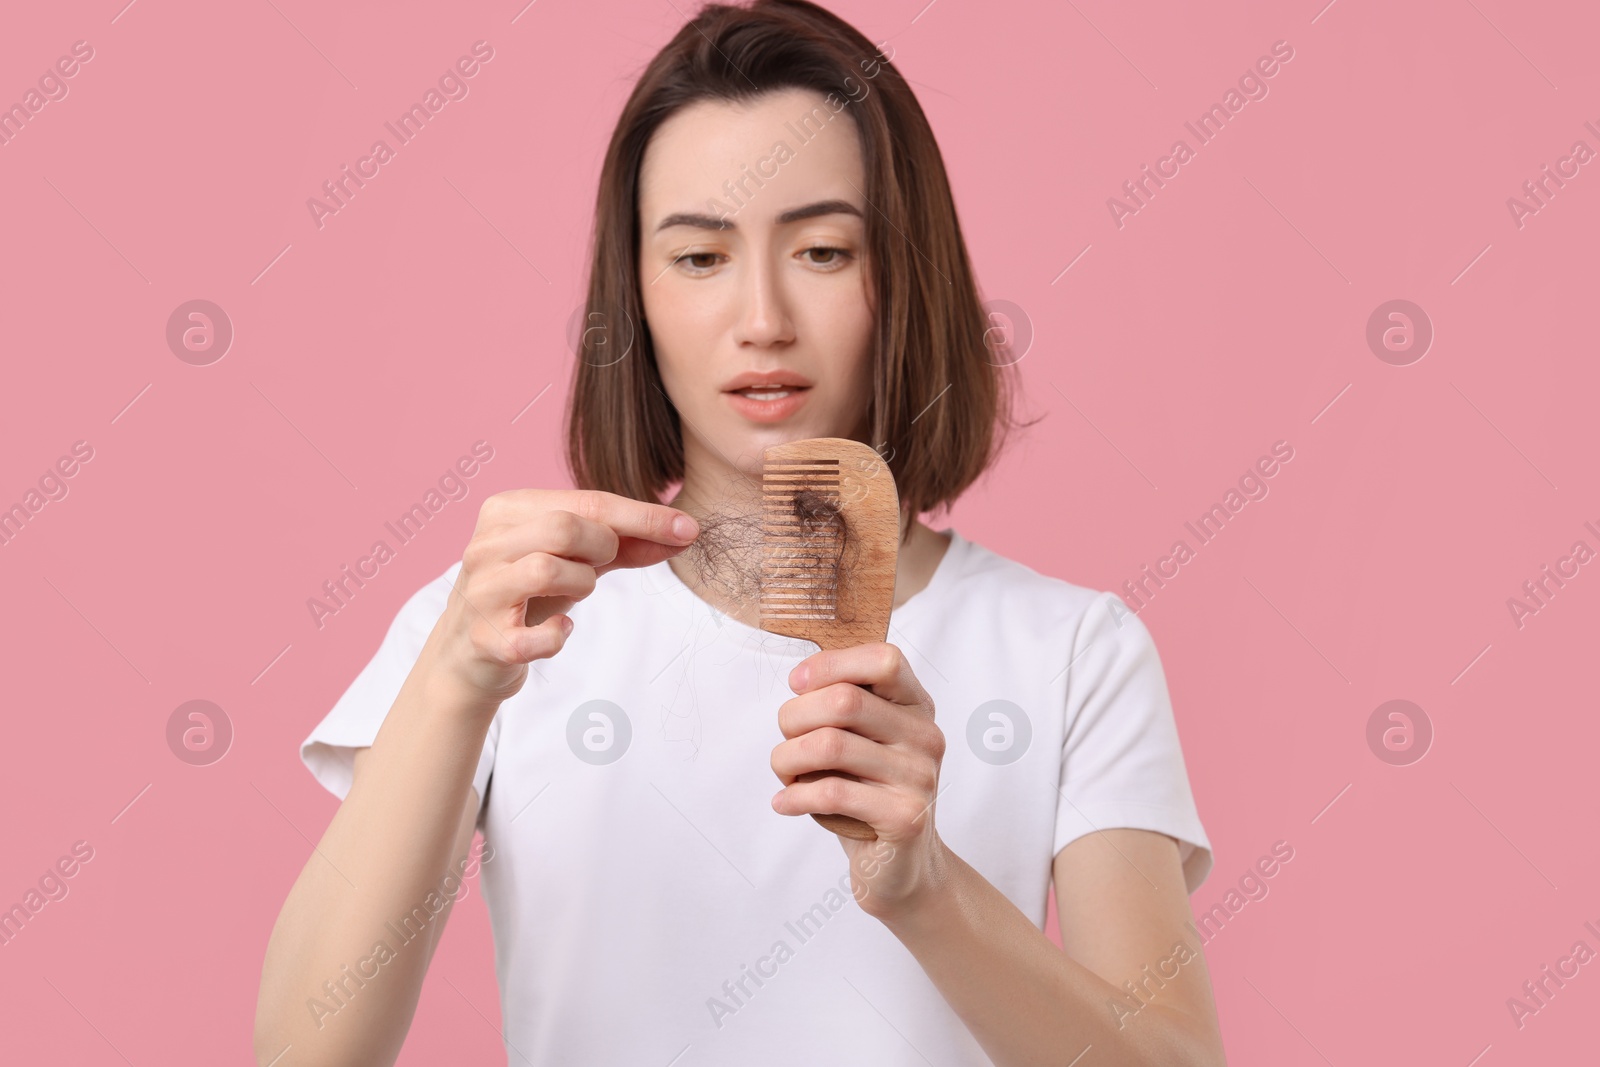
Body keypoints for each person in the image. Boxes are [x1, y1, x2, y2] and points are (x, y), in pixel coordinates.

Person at [254, 2, 1225, 1064]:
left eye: (819, 249)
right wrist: (451, 676)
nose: (761, 316)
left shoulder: (1071, 650)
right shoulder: (500, 627)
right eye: (699, 258)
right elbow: (306, 1053)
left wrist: (926, 888)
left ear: (905, 276)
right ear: (634, 299)